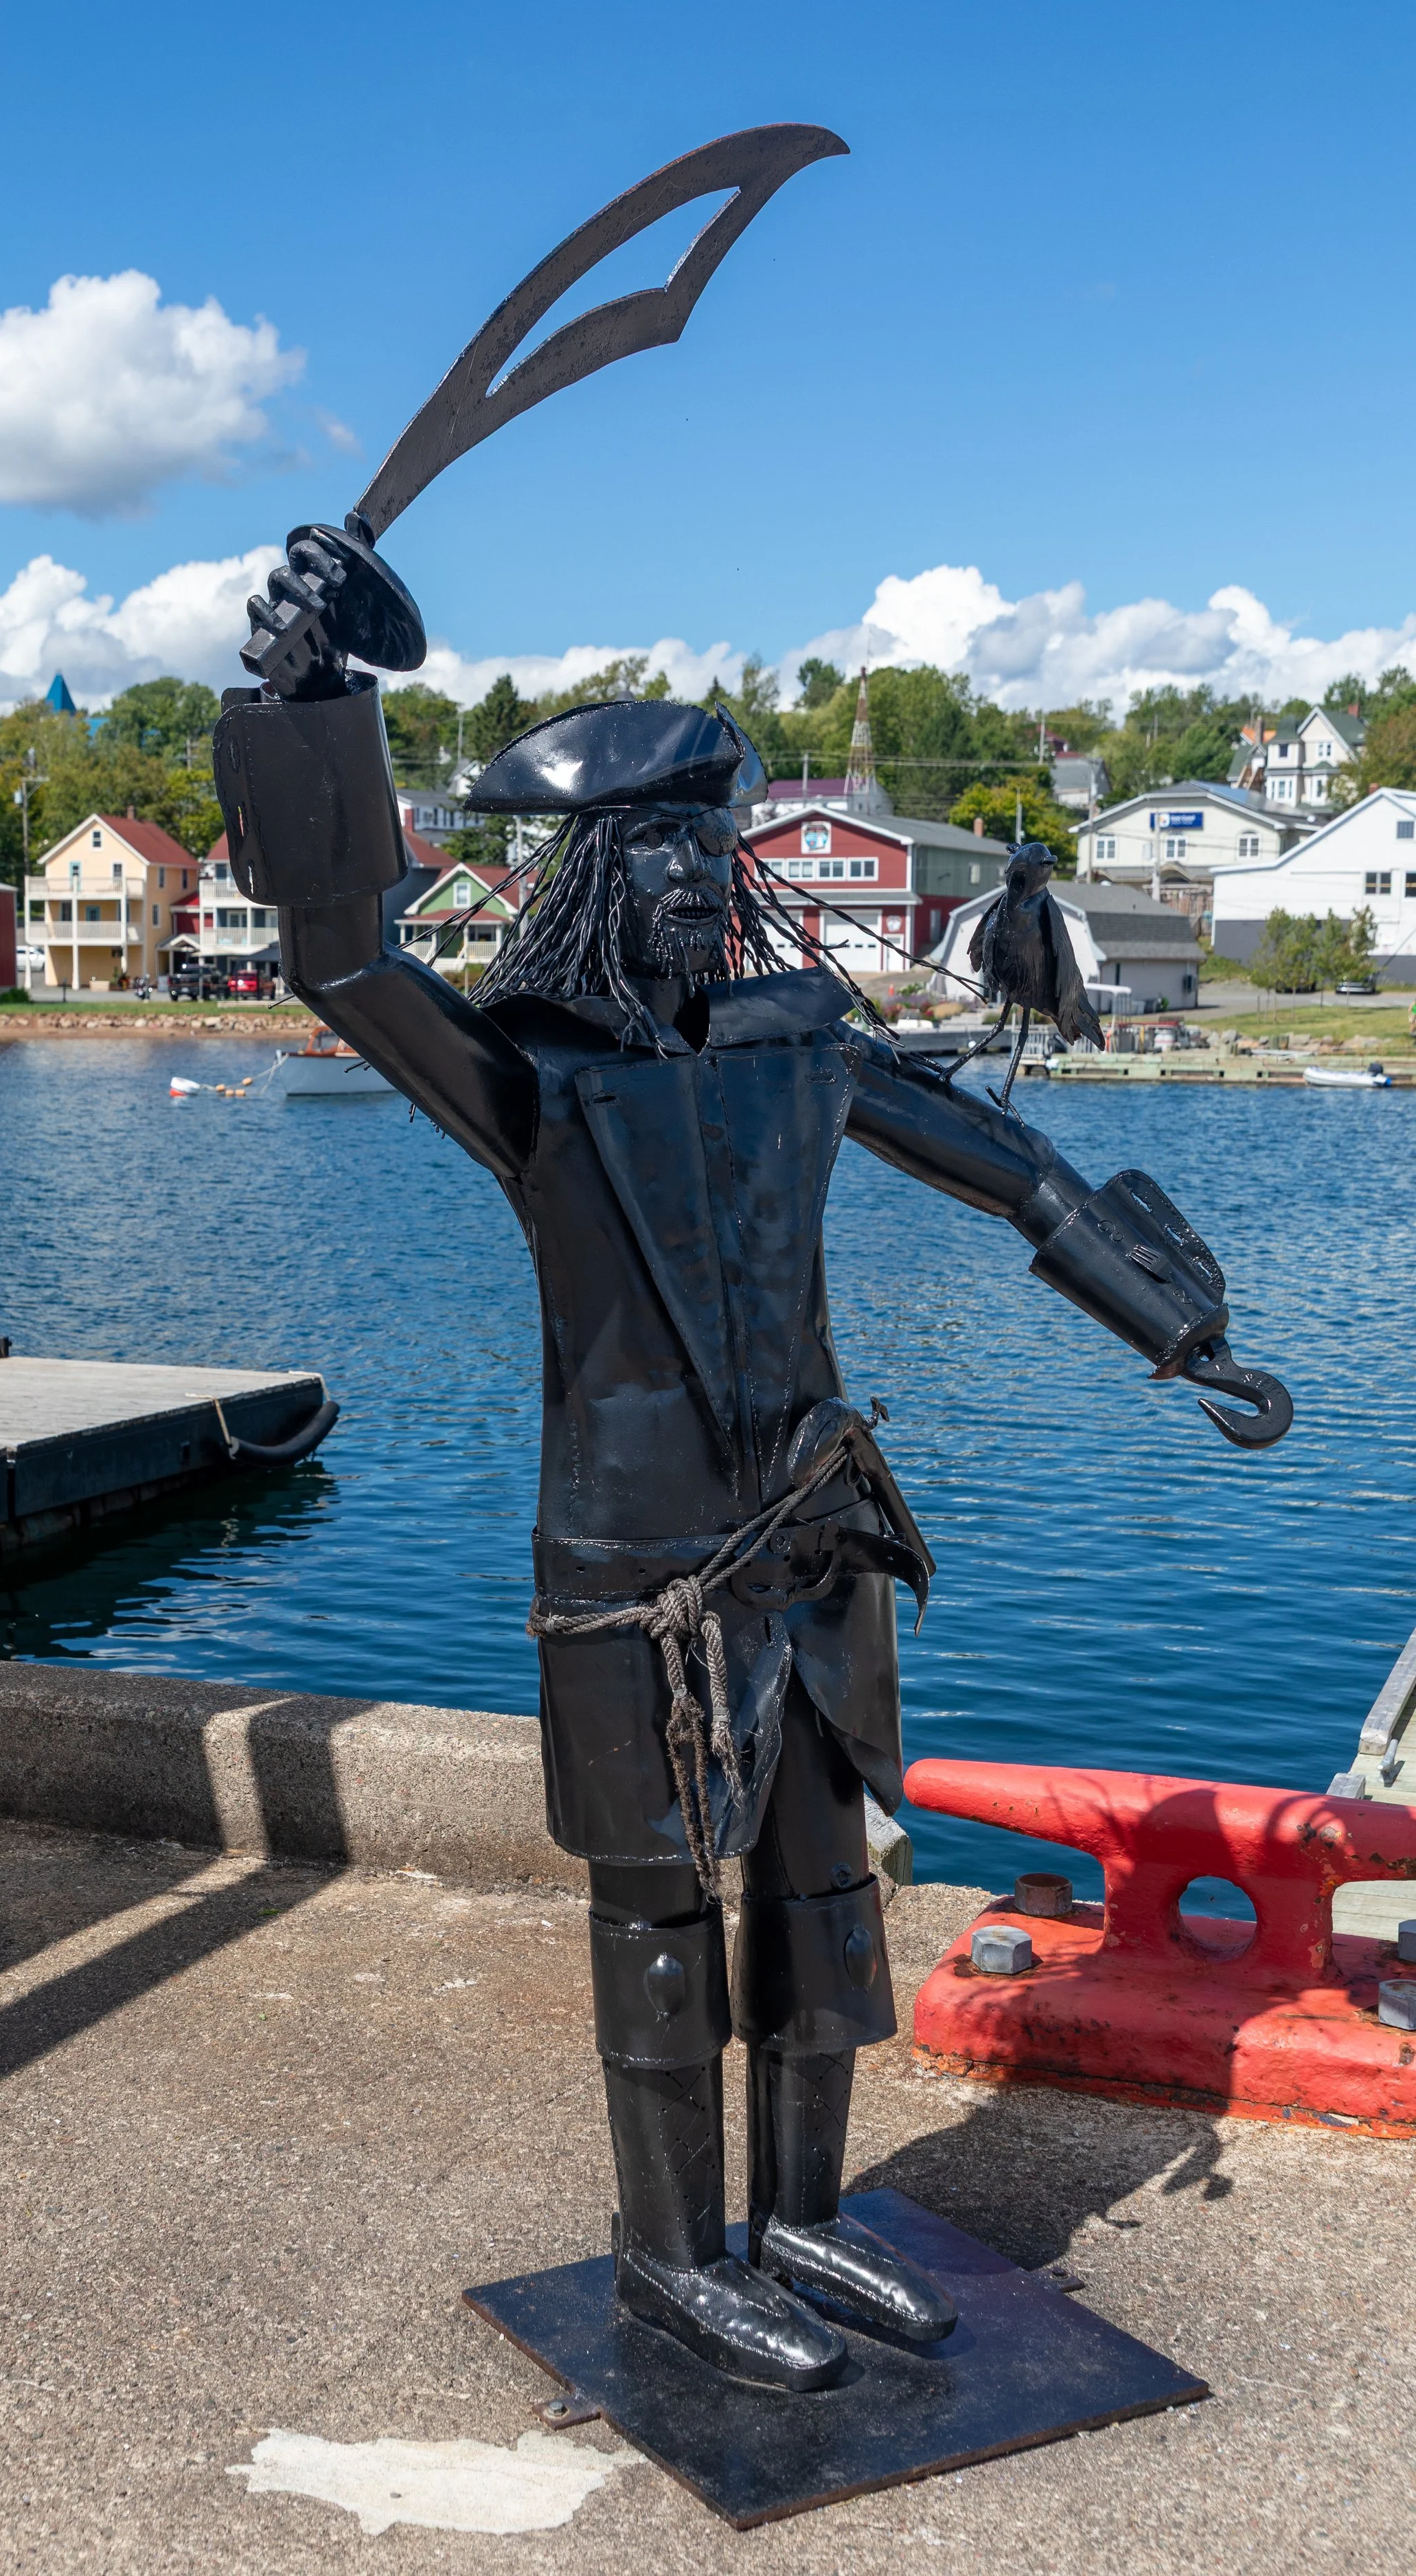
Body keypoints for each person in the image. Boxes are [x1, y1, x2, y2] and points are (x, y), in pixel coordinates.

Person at [214, 542, 1287, 2393]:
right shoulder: (527, 1083)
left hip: (812, 1524)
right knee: (652, 1909)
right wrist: (304, 703)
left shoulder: (798, 1048)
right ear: (592, 879)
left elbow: (992, 1152)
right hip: (630, 1562)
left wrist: (1175, 1329)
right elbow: (343, 951)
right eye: (663, 856)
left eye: (717, 853)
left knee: (817, 1893)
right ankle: (663, 2258)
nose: (701, 882)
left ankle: (798, 2212)